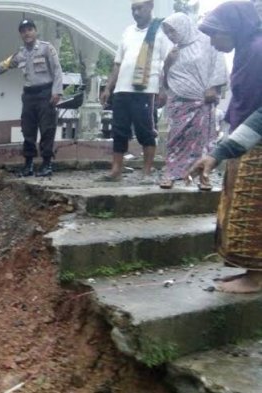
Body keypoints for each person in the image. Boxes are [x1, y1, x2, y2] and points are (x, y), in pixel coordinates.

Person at [188, 1, 262, 294]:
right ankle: (251, 272)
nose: (212, 40)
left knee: (252, 209)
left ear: (234, 28)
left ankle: (256, 277)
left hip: (257, 144)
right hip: (248, 141)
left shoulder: (257, 52)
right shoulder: (249, 50)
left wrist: (218, 153)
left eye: (215, 33)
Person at [0, 18, 63, 177]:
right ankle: (28, 165)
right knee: (28, 131)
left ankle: (47, 164)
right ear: (21, 34)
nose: (27, 33)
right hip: (29, 96)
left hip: (45, 94)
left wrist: (57, 92)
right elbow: (3, 65)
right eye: (23, 31)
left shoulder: (46, 49)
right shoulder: (20, 54)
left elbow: (57, 70)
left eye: (29, 29)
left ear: (35, 31)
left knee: (47, 130)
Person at [98, 0, 172, 183]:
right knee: (119, 131)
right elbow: (118, 63)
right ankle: (116, 170)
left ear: (150, 7)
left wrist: (164, 88)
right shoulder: (128, 31)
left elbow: (169, 61)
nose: (136, 12)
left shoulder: (160, 31)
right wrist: (108, 87)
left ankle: (146, 173)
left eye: (140, 8)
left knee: (146, 131)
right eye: (133, 9)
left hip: (146, 90)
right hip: (122, 90)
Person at [158, 13, 227, 189]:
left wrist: (213, 86)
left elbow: (218, 63)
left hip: (202, 99)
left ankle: (203, 177)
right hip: (179, 102)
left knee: (203, 141)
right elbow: (166, 79)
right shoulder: (174, 50)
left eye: (172, 31)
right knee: (175, 138)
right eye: (168, 33)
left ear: (183, 26)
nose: (171, 36)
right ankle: (171, 174)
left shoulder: (206, 42)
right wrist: (167, 62)